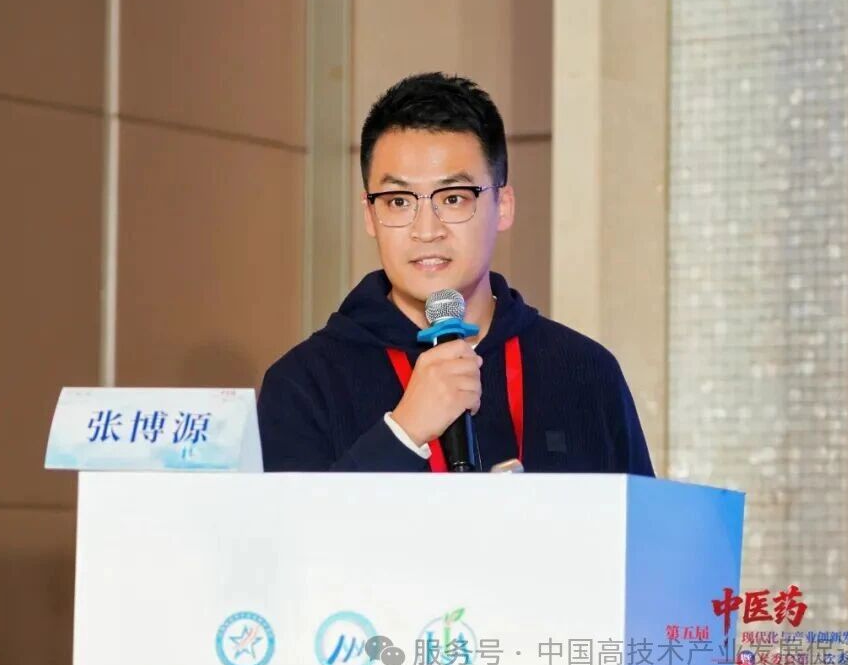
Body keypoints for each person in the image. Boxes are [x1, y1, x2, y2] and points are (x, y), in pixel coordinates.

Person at [257, 72, 654, 475]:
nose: (427, 230)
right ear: (370, 215)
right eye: (398, 201)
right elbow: (296, 519)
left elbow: (643, 516)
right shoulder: (304, 384)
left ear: (503, 206)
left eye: (453, 198)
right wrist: (403, 434)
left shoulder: (584, 372)